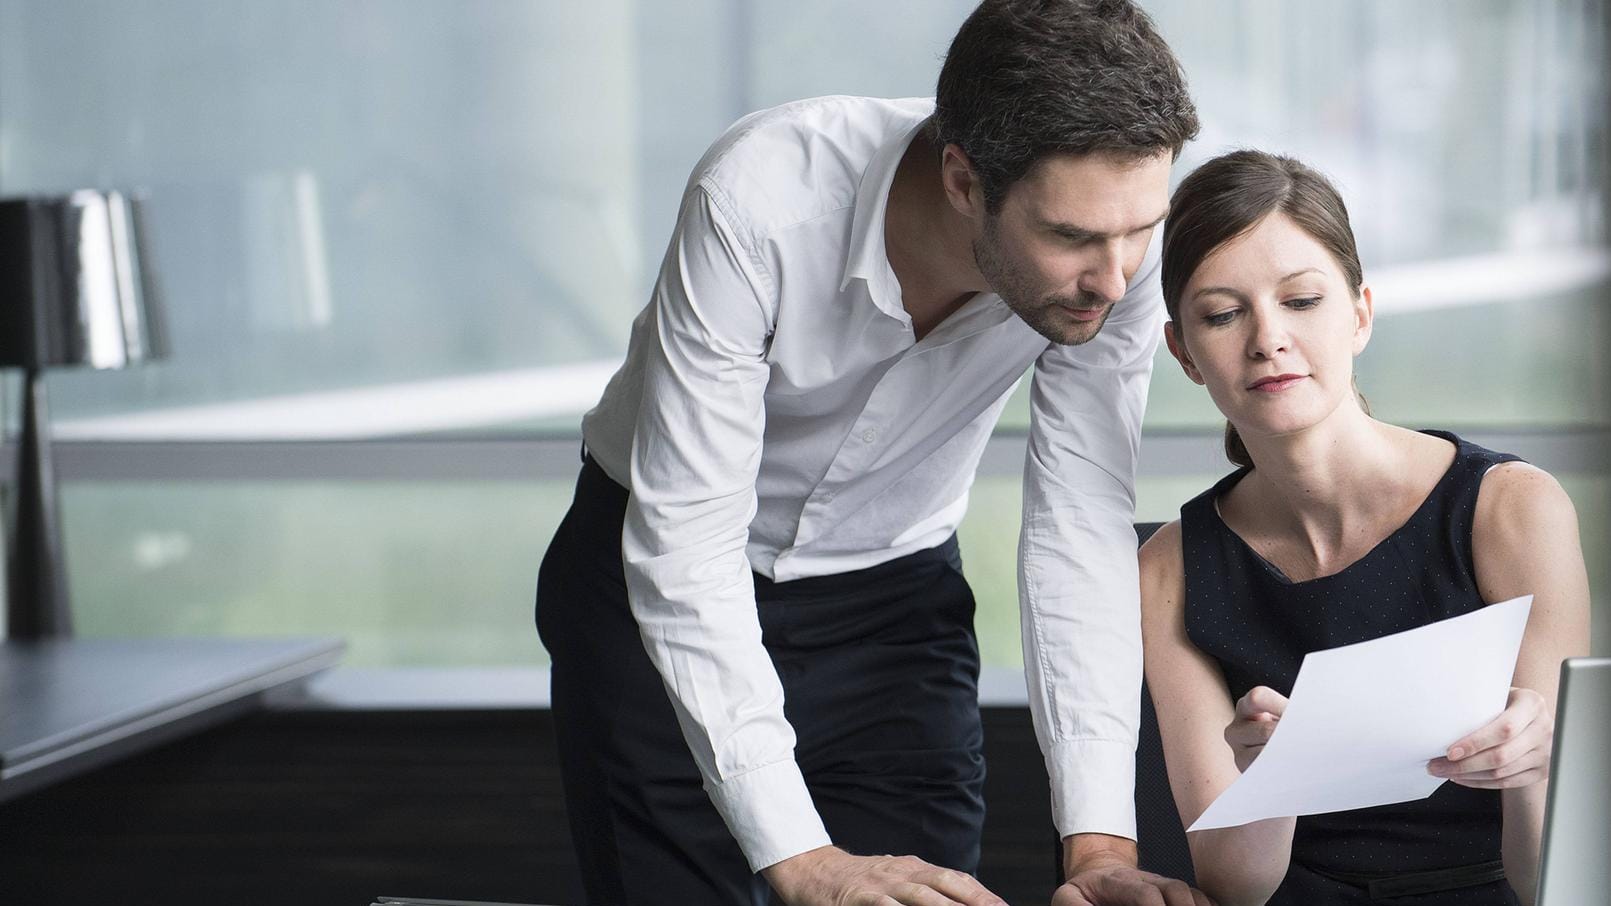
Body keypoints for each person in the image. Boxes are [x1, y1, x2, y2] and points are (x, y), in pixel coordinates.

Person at [535, 1, 1208, 904]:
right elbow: (688, 548)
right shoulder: (758, 202)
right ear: (964, 181)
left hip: (892, 601)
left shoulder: (1116, 251)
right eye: (1071, 237)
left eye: (1138, 230)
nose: (1115, 276)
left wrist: (1098, 850)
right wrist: (803, 864)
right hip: (654, 583)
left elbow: (1080, 523)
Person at [1139, 149, 1592, 905]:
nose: (1266, 339)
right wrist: (1275, 781)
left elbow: (1549, 877)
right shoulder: (1168, 568)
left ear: (1359, 315)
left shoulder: (1509, 508)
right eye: (1222, 314)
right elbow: (1232, 887)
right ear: (1183, 353)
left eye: (1301, 301)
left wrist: (1535, 768)